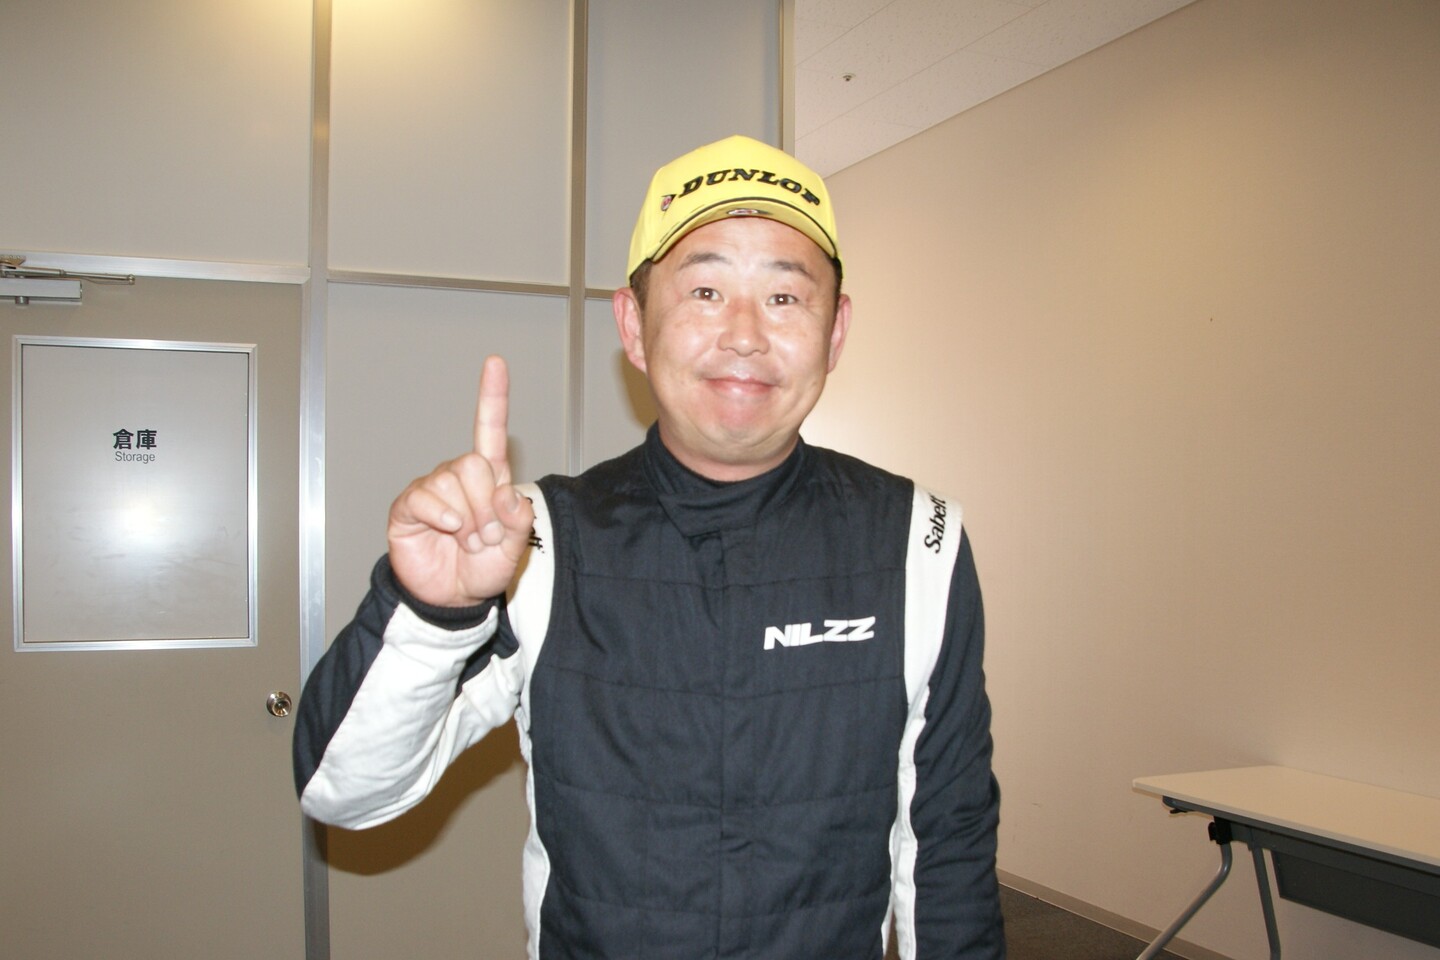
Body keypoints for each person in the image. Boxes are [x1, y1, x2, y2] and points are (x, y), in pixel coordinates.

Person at [293, 134, 1004, 959]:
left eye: (784, 296)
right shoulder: (540, 544)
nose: (745, 334)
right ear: (634, 326)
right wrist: (430, 611)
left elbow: (948, 845)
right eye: (705, 290)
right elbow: (344, 792)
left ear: (835, 331)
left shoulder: (916, 540)